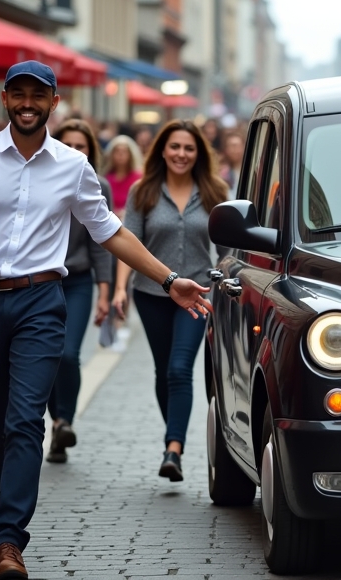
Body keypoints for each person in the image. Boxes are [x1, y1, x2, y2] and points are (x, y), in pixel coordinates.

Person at [0, 61, 212, 579]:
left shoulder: (72, 166)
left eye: (36, 95)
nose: (26, 102)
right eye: (17, 93)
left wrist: (169, 278)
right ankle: (15, 493)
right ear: (4, 98)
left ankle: (9, 539)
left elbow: (111, 232)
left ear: (53, 103)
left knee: (25, 421)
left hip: (43, 300)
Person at [111, 120, 228, 483]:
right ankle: (173, 439)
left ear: (199, 154)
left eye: (189, 148)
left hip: (197, 295)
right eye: (175, 147)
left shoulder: (215, 191)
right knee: (164, 370)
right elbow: (126, 243)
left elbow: (226, 250)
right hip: (152, 295)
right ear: (162, 150)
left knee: (179, 369)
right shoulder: (142, 192)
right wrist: (119, 289)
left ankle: (172, 448)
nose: (181, 154)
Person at [46, 119, 114, 464]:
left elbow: (102, 242)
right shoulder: (43, 180)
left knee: (68, 353)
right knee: (46, 355)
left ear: (91, 151)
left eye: (82, 146)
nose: (75, 151)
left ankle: (64, 420)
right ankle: (57, 421)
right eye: (68, 144)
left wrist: (105, 292)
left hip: (78, 282)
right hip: (42, 281)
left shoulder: (97, 184)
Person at [104, 135, 143, 221]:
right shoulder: (106, 178)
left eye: (124, 151)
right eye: (117, 151)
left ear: (131, 154)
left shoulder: (138, 178)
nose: (120, 155)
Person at [218, 131, 245, 198]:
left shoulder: (251, 170)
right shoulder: (221, 172)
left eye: (238, 146)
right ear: (226, 149)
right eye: (232, 146)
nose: (235, 150)